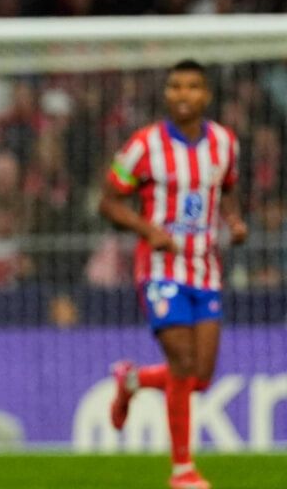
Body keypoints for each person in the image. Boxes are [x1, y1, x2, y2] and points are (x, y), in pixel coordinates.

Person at [100, 60, 247, 489]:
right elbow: (108, 202)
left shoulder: (225, 143)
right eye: (175, 86)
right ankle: (183, 470)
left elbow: (229, 190)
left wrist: (234, 223)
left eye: (192, 87)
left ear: (206, 95)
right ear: (166, 94)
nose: (183, 94)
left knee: (200, 377)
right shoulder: (143, 145)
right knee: (181, 363)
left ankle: (132, 379)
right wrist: (149, 230)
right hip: (161, 269)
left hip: (206, 269)